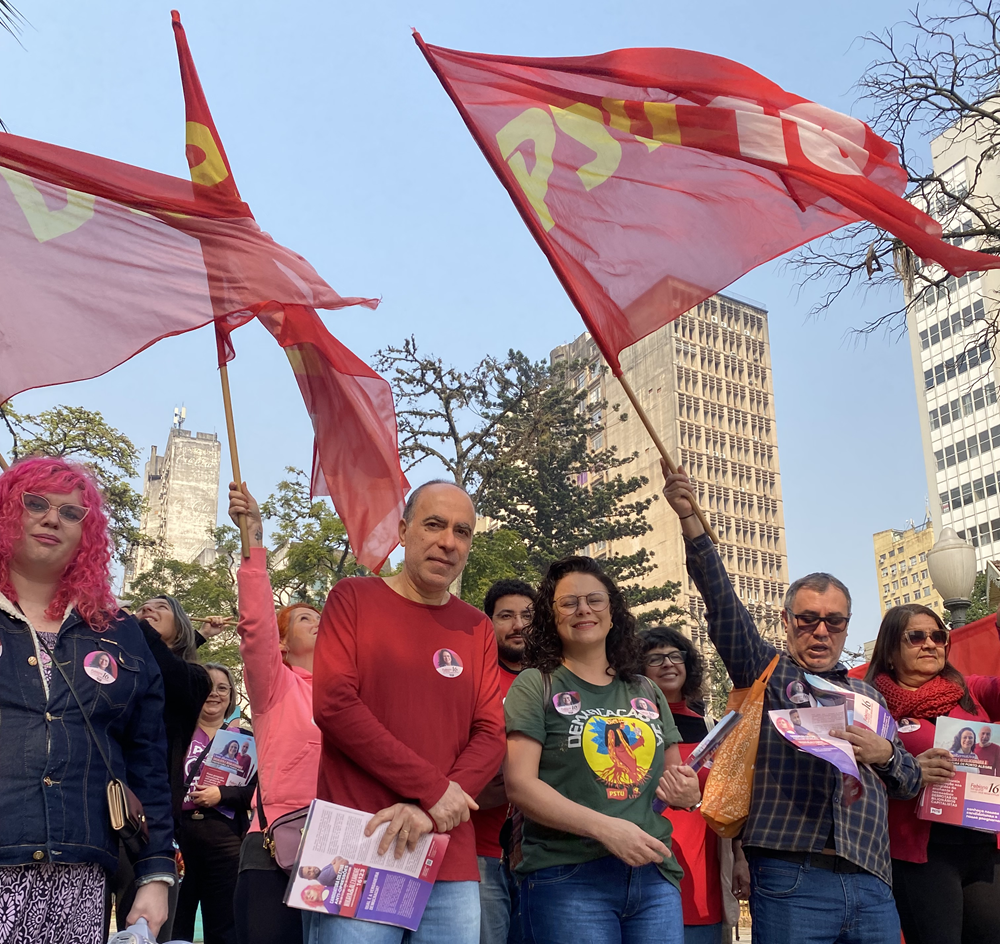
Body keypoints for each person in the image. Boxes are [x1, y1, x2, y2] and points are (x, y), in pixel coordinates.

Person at [662, 465, 921, 944]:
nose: (820, 631)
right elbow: (724, 607)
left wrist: (885, 754)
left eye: (834, 622)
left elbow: (910, 781)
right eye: (807, 619)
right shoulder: (769, 672)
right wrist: (690, 521)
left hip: (871, 876)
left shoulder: (869, 694)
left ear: (847, 626)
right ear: (786, 620)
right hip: (790, 874)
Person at [310, 479, 507, 944]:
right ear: (403, 530)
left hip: (447, 852)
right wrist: (433, 791)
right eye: (434, 525)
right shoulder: (353, 598)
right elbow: (335, 706)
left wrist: (432, 809)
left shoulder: (476, 626)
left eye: (462, 531)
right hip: (360, 843)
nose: (447, 542)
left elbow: (490, 734)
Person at [0, 457, 175, 942]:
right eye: (35, 503)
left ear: (88, 532)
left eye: (71, 512)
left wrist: (156, 874)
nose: (52, 518)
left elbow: (148, 760)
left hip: (81, 873)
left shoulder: (120, 632)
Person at [504, 556, 702, 944]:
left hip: (653, 873)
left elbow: (676, 783)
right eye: (568, 602)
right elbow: (520, 786)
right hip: (568, 876)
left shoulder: (646, 689)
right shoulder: (535, 684)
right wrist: (606, 829)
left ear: (613, 612)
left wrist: (688, 794)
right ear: (551, 615)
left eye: (595, 600)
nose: (583, 610)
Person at [865, 603, 1000, 944]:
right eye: (916, 636)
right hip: (921, 856)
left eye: (938, 636)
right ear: (891, 652)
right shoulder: (872, 705)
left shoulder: (969, 692)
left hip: (983, 848)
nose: (930, 644)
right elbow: (859, 779)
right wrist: (908, 768)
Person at [228, 481, 323, 944]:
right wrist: (255, 542)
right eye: (306, 619)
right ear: (284, 643)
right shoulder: (275, 686)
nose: (319, 623)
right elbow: (257, 627)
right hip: (273, 848)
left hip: (339, 848)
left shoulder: (351, 697)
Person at [109, 593, 216, 937]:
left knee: (142, 926)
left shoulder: (196, 677)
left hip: (149, 816)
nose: (148, 610)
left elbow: (168, 671)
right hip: (102, 801)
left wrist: (132, 624)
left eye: (161, 607)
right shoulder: (124, 668)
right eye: (143, 607)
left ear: (181, 626)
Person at [640, 626, 742, 944]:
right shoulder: (630, 728)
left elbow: (733, 803)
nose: (668, 664)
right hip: (645, 866)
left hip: (704, 874)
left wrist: (740, 857)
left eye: (674, 656)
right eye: (655, 658)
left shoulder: (713, 728)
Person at [174, 662, 256, 944]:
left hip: (226, 841)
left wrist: (224, 795)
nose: (214, 693)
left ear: (231, 696)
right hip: (178, 839)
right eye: (207, 685)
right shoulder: (175, 734)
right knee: (175, 922)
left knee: (224, 926)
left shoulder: (247, 741)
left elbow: (260, 790)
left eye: (222, 688)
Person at [473, 578, 535, 944]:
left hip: (546, 857)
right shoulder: (473, 681)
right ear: (488, 623)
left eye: (527, 615)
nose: (518, 625)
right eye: (506, 616)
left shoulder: (558, 681)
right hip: (481, 852)